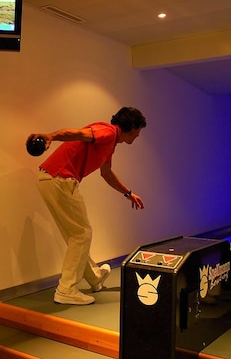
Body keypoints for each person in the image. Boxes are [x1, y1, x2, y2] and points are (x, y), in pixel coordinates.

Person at [28, 107, 147, 305]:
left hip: (50, 179)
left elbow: (106, 173)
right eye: (138, 130)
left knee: (76, 234)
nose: (138, 135)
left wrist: (128, 193)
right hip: (60, 179)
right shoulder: (108, 132)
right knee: (82, 234)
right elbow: (75, 133)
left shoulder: (110, 143)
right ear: (132, 126)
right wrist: (50, 136)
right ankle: (66, 290)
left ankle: (94, 277)